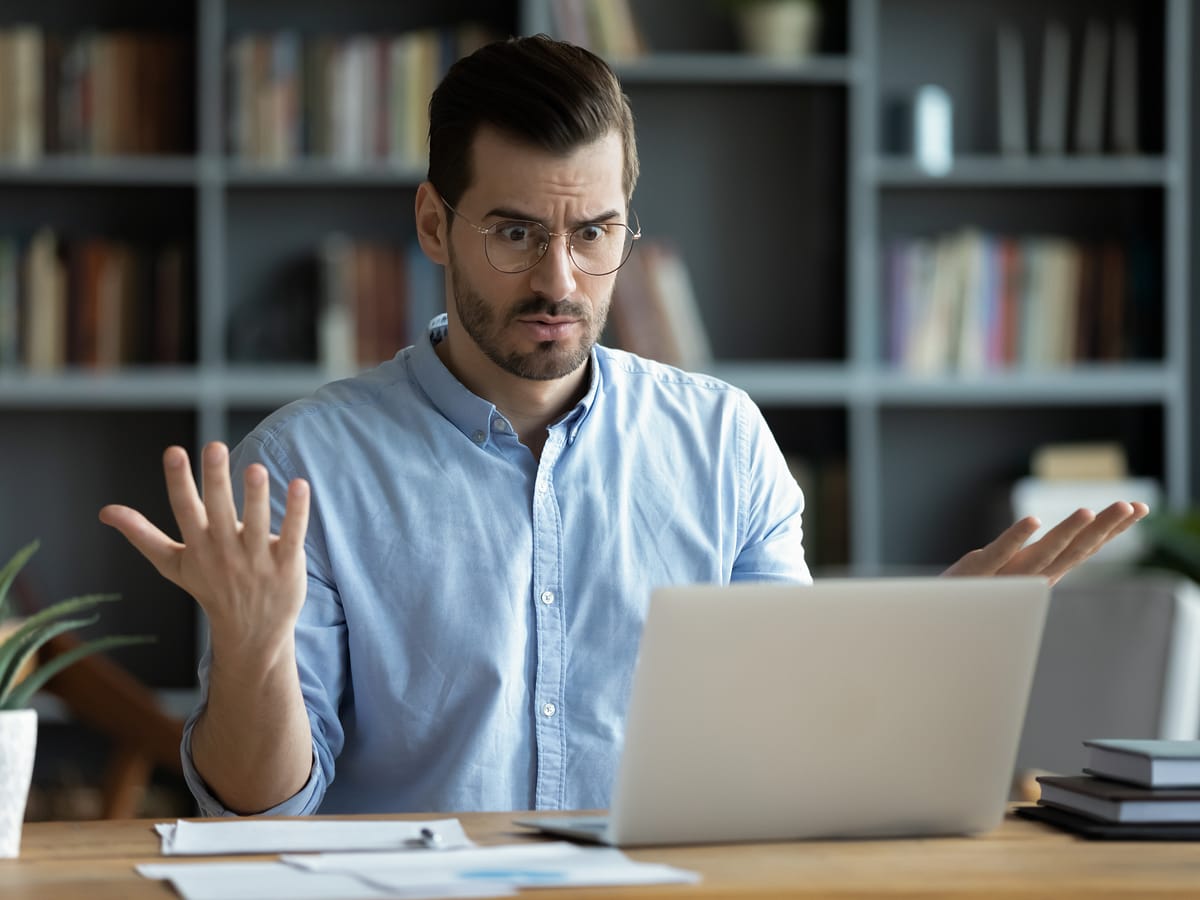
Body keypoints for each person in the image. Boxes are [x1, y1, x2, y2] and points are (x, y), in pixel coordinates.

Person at [99, 35, 1148, 817]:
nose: (559, 280)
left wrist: (915, 653)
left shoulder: (723, 441)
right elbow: (260, 808)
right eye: (514, 231)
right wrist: (251, 651)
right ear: (433, 224)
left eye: (593, 232)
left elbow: (783, 748)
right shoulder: (305, 468)